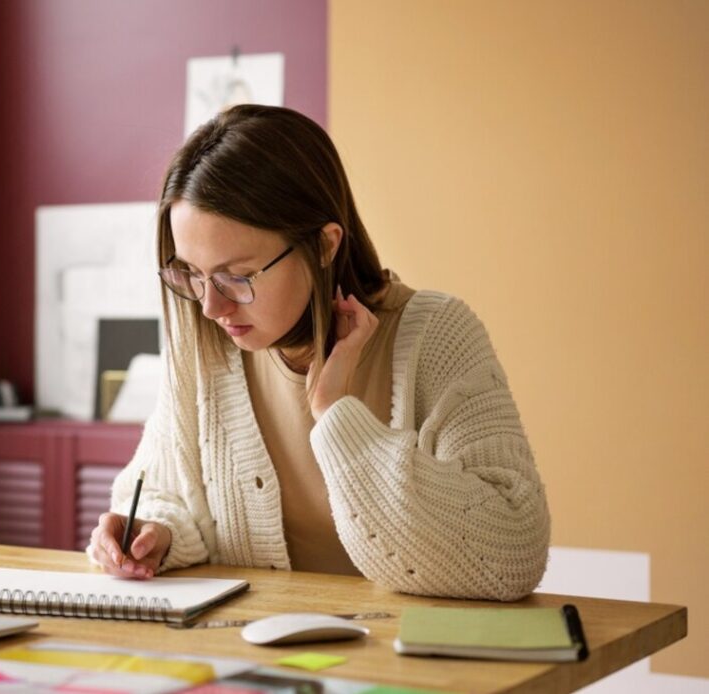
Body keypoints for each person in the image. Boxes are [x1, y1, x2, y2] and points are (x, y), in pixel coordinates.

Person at [86, 104, 550, 601]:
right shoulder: (206, 347)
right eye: (192, 275)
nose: (210, 307)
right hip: (251, 656)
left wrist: (338, 417)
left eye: (236, 276)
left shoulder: (437, 335)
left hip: (395, 662)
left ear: (326, 244)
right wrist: (157, 534)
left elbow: (511, 554)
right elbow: (166, 491)